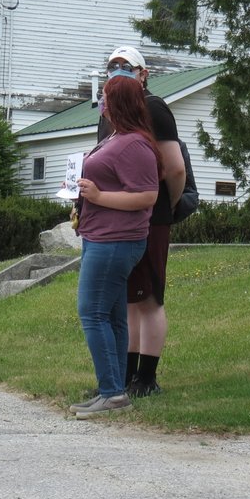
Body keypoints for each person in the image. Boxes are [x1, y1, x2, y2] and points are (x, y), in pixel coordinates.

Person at [70, 75, 160, 418]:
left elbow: (147, 195)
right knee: (111, 315)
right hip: (100, 236)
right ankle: (115, 389)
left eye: (105, 97)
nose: (101, 103)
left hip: (116, 241)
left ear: (119, 103)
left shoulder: (134, 144)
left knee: (91, 313)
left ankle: (111, 392)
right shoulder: (116, 137)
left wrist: (99, 196)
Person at [99, 46, 186, 398]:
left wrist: (167, 205)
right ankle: (127, 374)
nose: (118, 71)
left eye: (126, 66)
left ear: (144, 73)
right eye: (112, 66)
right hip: (117, 216)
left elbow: (175, 167)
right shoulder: (108, 111)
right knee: (128, 298)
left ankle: (147, 378)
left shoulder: (154, 108)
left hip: (152, 213)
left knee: (149, 297)